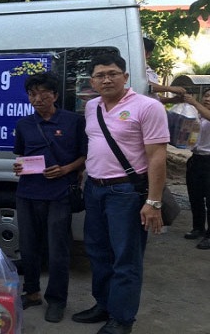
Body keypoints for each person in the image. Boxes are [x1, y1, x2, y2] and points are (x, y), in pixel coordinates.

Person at [72, 54, 168, 334]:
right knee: (97, 252)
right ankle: (104, 305)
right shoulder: (91, 107)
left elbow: (157, 156)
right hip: (94, 189)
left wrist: (153, 201)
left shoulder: (148, 107)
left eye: (112, 73)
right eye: (100, 75)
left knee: (125, 258)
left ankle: (122, 319)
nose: (106, 79)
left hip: (126, 193)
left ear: (125, 77)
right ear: (92, 82)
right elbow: (95, 144)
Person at [13, 73, 87, 323]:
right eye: (32, 94)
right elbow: (21, 155)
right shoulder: (24, 124)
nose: (38, 98)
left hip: (59, 195)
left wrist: (66, 169)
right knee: (28, 247)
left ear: (55, 95)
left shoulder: (74, 121)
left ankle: (56, 300)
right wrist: (19, 167)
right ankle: (32, 292)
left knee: (57, 251)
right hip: (27, 193)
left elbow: (85, 156)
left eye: (43, 93)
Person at [183, 89, 210, 249]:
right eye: (206, 95)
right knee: (195, 197)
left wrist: (194, 103)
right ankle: (198, 228)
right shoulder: (198, 115)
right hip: (196, 159)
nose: (208, 99)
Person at [144, 37, 186, 104]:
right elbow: (145, 85)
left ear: (148, 54)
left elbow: (154, 97)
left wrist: (172, 100)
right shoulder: (133, 70)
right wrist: (171, 89)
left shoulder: (151, 72)